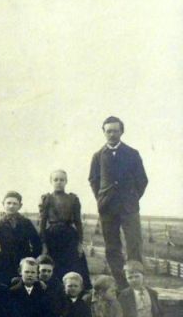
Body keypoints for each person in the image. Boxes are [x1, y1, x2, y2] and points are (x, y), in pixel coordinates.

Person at [89, 116, 148, 289]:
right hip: (108, 208)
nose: (112, 134)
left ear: (121, 131)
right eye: (109, 131)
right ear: (104, 132)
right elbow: (94, 179)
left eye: (115, 130)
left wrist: (132, 197)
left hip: (129, 208)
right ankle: (122, 284)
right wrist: (102, 198)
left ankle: (136, 281)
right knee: (112, 246)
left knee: (134, 243)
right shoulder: (98, 156)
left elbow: (142, 180)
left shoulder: (132, 153)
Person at [0, 191, 42, 286]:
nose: (11, 206)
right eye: (8, 203)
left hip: (23, 267)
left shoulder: (26, 223)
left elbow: (37, 245)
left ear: (20, 206)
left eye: (15, 203)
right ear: (3, 204)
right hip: (5, 266)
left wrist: (29, 260)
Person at [40, 169, 92, 289]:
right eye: (56, 180)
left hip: (69, 237)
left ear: (66, 181)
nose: (59, 182)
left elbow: (78, 222)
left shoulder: (73, 199)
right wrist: (43, 244)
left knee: (74, 265)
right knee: (52, 265)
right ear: (51, 181)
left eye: (62, 180)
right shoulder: (47, 198)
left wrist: (80, 243)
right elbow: (42, 223)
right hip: (52, 237)